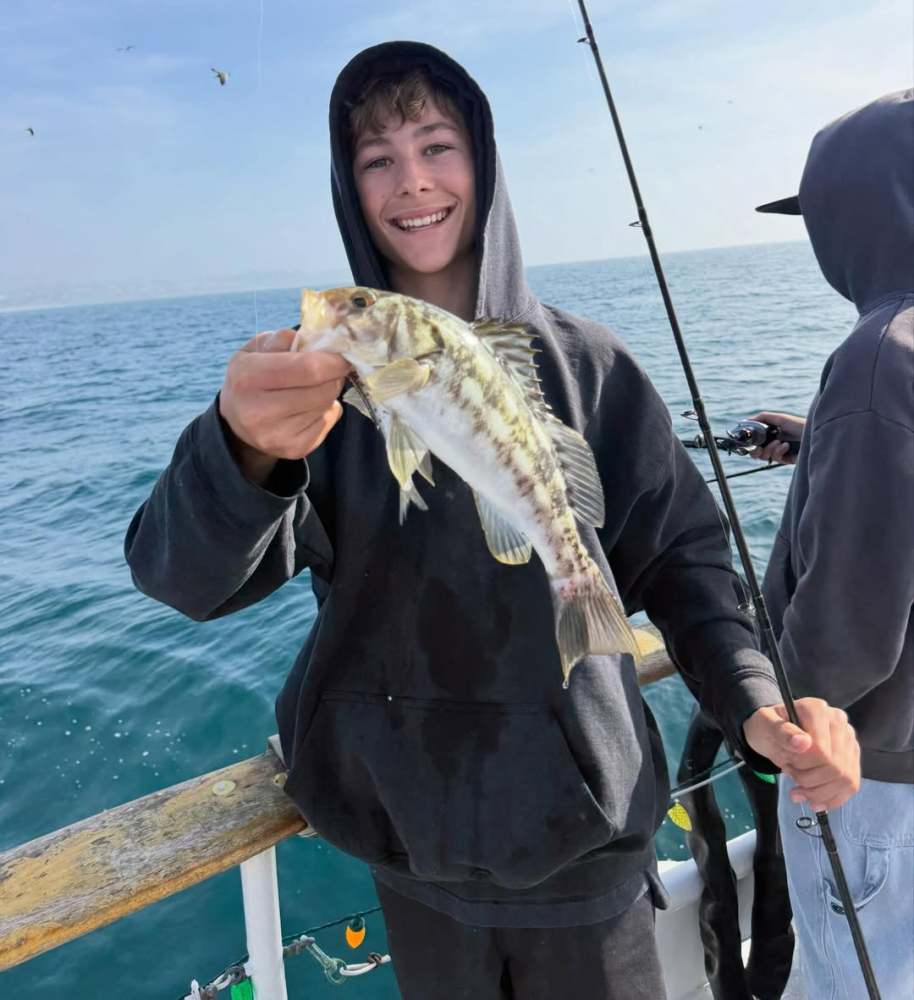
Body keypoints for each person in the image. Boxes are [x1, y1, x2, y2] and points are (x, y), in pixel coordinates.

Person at [125, 42, 860, 998]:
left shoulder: (591, 365)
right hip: (408, 850)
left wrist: (759, 701)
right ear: (348, 187)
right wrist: (240, 446)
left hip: (587, 852)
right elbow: (184, 580)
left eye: (438, 145)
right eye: (376, 159)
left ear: (485, 161)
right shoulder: (315, 388)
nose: (412, 181)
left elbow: (687, 564)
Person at [751, 89, 913, 998]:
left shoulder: (878, 356)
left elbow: (847, 639)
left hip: (871, 783)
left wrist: (760, 695)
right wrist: (827, 444)